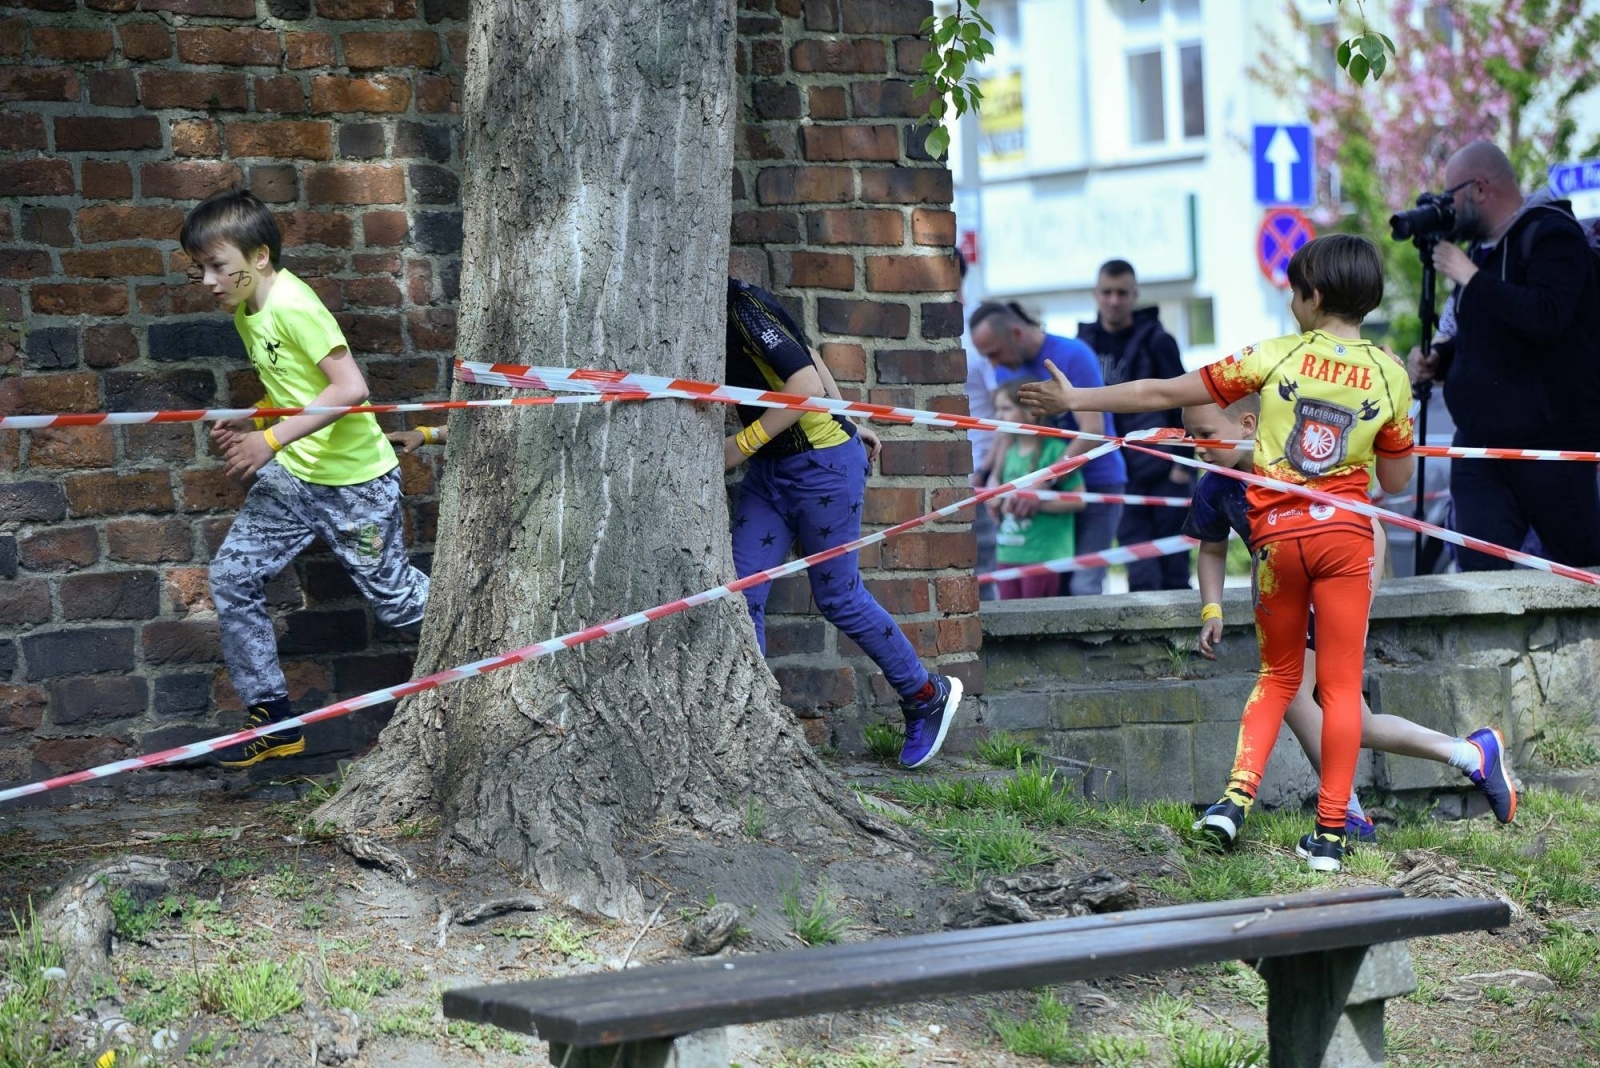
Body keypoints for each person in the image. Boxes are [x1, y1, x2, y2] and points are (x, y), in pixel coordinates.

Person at [1021, 235, 1508, 873]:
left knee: (1284, 681)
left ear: (1313, 296)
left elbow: (1160, 391)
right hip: (1346, 539)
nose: (1290, 301)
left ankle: (1251, 803)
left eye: (1294, 291)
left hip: (1283, 541)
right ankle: (1335, 830)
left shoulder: (1273, 356)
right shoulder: (1389, 372)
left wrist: (1075, 401)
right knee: (1337, 694)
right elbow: (1395, 481)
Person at [1182, 395, 1517, 843]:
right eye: (1189, 435)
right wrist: (1212, 609)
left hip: (1344, 560)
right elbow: (1212, 549)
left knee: (1293, 691)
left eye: (1205, 434)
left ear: (1247, 425)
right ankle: (1471, 754)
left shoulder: (1293, 456)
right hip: (1293, 580)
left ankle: (1345, 814)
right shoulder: (1215, 486)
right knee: (1354, 718)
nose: (1196, 445)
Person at [183, 188, 430, 767]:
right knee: (233, 577)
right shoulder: (246, 311)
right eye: (200, 270)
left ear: (259, 256)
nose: (208, 282)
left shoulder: (294, 305)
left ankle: (500, 638)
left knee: (398, 604)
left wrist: (268, 441)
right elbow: (296, 389)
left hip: (355, 484)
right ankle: (273, 719)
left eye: (217, 266)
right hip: (296, 477)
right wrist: (256, 416)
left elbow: (350, 388)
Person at [724, 277, 962, 769]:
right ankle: (755, 727)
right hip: (770, 471)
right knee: (739, 594)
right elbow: (809, 354)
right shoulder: (730, 302)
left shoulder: (740, 304)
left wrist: (740, 446)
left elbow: (806, 382)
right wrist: (849, 420)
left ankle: (925, 694)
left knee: (838, 596)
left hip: (821, 465)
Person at [1408, 141, 1600, 570]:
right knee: (1478, 572)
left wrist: (1471, 277)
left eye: (1451, 196)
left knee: (1581, 567)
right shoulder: (1481, 254)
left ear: (1480, 189)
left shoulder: (1551, 234)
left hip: (1550, 446)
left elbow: (1547, 316)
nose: (1447, 209)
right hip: (1480, 447)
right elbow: (1486, 336)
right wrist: (1440, 359)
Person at [969, 301, 1127, 595]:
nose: (993, 365)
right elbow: (1008, 432)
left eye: (994, 353)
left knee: (1083, 585)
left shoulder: (1073, 355)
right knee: (1051, 587)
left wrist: (1040, 482)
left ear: (1016, 333)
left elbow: (1093, 431)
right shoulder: (1005, 370)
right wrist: (991, 478)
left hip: (1095, 482)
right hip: (1037, 489)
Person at [1077, 260, 1192, 592]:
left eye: (1122, 293)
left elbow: (1185, 401)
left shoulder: (1158, 341)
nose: (1114, 300)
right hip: (1115, 474)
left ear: (1134, 295)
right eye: (1107, 292)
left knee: (1174, 571)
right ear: (1095, 294)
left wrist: (1182, 468)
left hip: (1164, 470)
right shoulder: (1083, 345)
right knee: (1140, 573)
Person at [987, 380, 1085, 600]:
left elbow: (1079, 500)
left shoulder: (1055, 451)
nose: (999, 415)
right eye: (997, 409)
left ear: (1030, 413)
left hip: (1042, 556)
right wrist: (996, 500)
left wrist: (1037, 502)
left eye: (1006, 408)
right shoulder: (1009, 451)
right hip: (1007, 553)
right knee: (1008, 616)